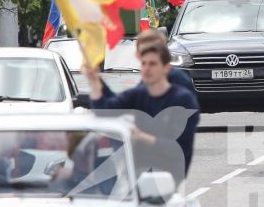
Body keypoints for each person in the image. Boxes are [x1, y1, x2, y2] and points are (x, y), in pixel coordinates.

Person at [80, 29, 200, 184]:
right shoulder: (142, 91)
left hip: (166, 170)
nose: (147, 67)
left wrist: (143, 137)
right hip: (142, 166)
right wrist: (94, 80)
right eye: (143, 61)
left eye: (152, 62)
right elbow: (107, 109)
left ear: (165, 66)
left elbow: (179, 146)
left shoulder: (181, 93)